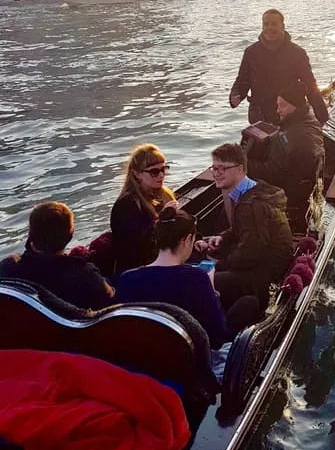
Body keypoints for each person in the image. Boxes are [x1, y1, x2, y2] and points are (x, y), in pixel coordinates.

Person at [115, 205, 257, 349]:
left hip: (147, 350)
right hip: (189, 355)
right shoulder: (196, 278)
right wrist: (213, 291)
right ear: (187, 240)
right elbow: (217, 337)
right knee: (249, 303)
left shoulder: (127, 278)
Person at [204, 143, 293, 310]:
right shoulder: (254, 189)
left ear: (240, 169)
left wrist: (216, 265)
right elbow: (243, 230)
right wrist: (222, 237)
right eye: (214, 168)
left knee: (204, 281)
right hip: (263, 264)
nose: (216, 174)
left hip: (266, 274)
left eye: (222, 168)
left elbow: (249, 254)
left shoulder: (250, 205)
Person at [0, 202, 114, 309]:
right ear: (70, 236)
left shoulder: (8, 268)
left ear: (30, 234)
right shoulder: (85, 275)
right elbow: (109, 296)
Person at [229, 9, 329, 126]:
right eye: (266, 24)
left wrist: (322, 116)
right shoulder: (251, 52)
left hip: (289, 115)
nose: (269, 28)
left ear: (283, 26)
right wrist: (236, 95)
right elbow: (243, 80)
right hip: (260, 116)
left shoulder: (297, 52)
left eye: (274, 24)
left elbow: (310, 84)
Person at [247, 81, 324, 231]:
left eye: (282, 105)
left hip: (291, 196)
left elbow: (273, 173)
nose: (278, 111)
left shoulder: (294, 136)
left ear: (294, 105)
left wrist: (244, 164)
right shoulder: (309, 122)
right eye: (277, 105)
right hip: (305, 190)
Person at [110, 144, 176, 275]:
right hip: (139, 273)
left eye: (164, 169)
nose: (161, 175)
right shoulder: (126, 206)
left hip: (163, 262)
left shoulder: (163, 195)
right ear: (136, 174)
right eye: (154, 171)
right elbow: (136, 250)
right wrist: (162, 219)